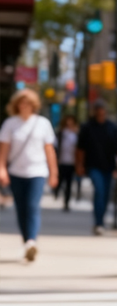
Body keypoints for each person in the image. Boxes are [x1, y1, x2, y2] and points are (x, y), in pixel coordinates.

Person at [0, 89, 58, 261]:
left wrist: (53, 173)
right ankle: (27, 242)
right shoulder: (10, 124)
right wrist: (2, 169)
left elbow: (50, 151)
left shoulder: (42, 123)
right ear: (16, 105)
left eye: (27, 103)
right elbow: (4, 150)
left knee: (32, 206)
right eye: (21, 103)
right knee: (21, 208)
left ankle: (32, 241)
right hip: (16, 172)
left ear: (34, 105)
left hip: (37, 172)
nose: (24, 106)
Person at [76, 100, 117, 235]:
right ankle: (99, 222)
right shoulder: (87, 127)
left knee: (106, 195)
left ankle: (101, 220)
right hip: (93, 166)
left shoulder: (112, 127)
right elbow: (80, 149)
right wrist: (80, 165)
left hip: (109, 167)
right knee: (99, 192)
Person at [55, 114, 79, 210]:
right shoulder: (61, 133)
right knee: (60, 180)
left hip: (72, 162)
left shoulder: (76, 134)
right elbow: (55, 146)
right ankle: (56, 191)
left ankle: (66, 203)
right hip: (61, 162)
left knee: (69, 184)